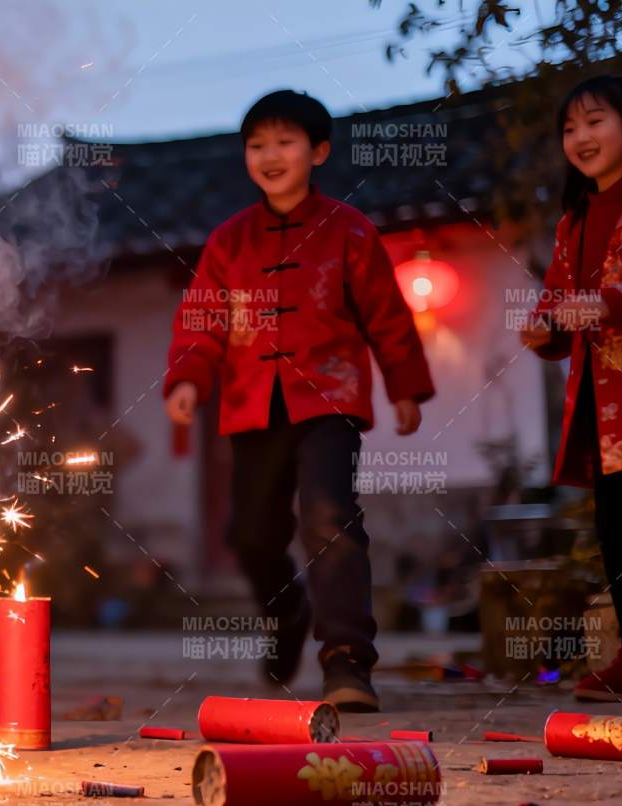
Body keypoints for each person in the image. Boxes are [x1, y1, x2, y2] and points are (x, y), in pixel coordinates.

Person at [164, 90, 434, 712]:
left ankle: (346, 660)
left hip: (329, 401)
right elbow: (202, 318)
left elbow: (387, 315)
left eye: (285, 142)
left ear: (318, 151)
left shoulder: (349, 230)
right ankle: (286, 612)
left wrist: (405, 385)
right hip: (252, 405)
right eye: (257, 145)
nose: (270, 155)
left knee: (329, 517)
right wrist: (188, 379)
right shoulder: (229, 242)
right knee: (250, 536)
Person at [521, 75, 622, 700]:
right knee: (616, 527)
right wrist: (544, 327)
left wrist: (608, 302)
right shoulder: (573, 221)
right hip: (603, 405)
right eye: (570, 128)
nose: (580, 136)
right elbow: (558, 298)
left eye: (595, 121)